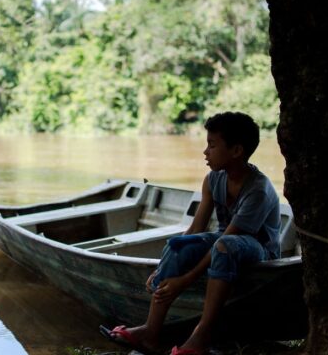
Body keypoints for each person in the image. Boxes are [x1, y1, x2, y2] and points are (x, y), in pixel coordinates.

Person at [100, 112, 281, 355]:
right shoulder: (213, 179)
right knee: (181, 244)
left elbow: (229, 236)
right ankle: (150, 332)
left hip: (260, 251)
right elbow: (196, 229)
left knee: (224, 244)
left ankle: (201, 336)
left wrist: (184, 281)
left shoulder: (258, 190)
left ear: (236, 151)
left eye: (212, 145)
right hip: (224, 243)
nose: (205, 152)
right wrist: (162, 267)